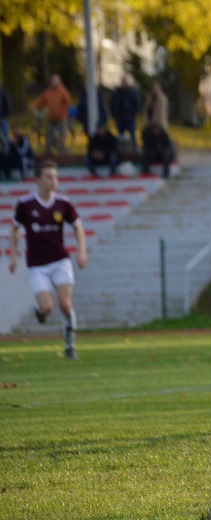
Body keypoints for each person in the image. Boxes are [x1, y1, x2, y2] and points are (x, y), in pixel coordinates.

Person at [8, 160, 88, 360]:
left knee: (65, 304)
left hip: (60, 261)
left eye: (56, 177)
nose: (53, 181)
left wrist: (81, 252)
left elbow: (78, 227)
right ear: (37, 180)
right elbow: (14, 229)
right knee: (47, 307)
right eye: (48, 177)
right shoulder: (25, 204)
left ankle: (70, 347)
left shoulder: (63, 203)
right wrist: (12, 255)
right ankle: (40, 310)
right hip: (37, 265)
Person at [29, 74, 72, 156]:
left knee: (62, 134)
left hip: (61, 117)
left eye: (56, 81)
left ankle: (62, 151)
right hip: (51, 117)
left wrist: (63, 111)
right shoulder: (48, 92)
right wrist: (33, 106)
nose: (54, 83)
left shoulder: (62, 91)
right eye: (53, 81)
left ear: (59, 82)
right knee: (48, 133)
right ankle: (48, 151)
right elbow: (40, 101)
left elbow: (68, 101)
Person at [110, 75, 141, 152]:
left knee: (132, 134)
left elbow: (137, 104)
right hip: (120, 118)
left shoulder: (132, 92)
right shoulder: (117, 93)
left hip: (129, 118)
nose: (124, 83)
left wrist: (132, 114)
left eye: (125, 81)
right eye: (122, 81)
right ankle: (121, 151)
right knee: (120, 135)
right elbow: (112, 104)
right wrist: (115, 115)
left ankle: (134, 149)